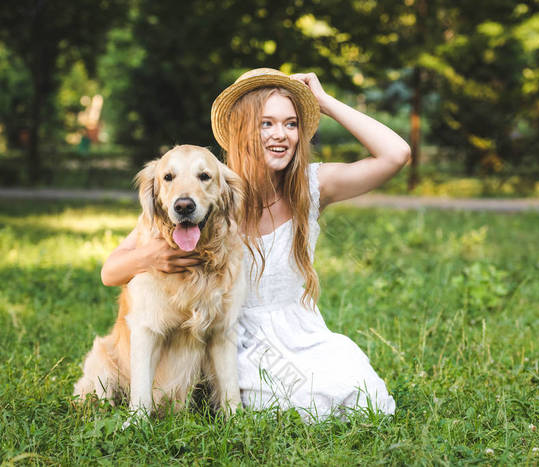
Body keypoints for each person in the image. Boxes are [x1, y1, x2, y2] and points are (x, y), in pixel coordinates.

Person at [100, 68, 410, 420]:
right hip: (235, 340)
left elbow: (396, 154)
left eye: (291, 124)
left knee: (359, 392)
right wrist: (151, 255)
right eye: (267, 124)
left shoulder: (312, 186)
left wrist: (324, 103)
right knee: (290, 404)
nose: (281, 135)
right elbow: (110, 272)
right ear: (243, 129)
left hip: (301, 333)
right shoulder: (214, 187)